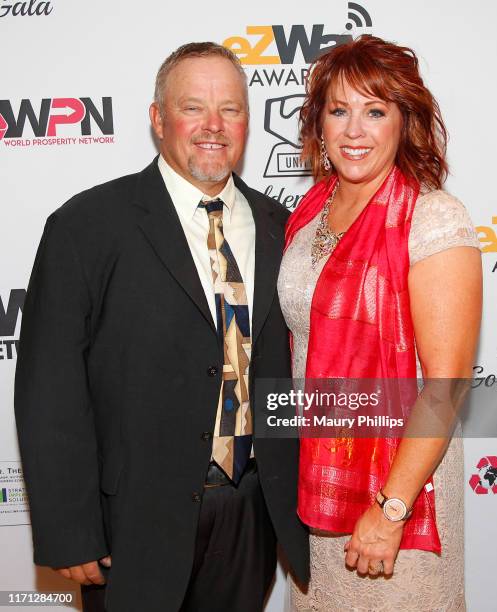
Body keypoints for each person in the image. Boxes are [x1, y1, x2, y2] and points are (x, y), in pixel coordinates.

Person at [15, 42, 309, 612]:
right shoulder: (87, 225)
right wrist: (70, 528)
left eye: (230, 109)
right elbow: (49, 388)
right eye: (193, 107)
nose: (213, 126)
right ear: (157, 119)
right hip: (132, 519)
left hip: (251, 512)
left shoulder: (282, 227)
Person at [278, 35, 482, 610]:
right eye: (338, 111)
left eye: (375, 111)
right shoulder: (310, 211)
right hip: (319, 487)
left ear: (404, 121)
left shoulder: (432, 217)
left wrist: (391, 508)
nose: (354, 131)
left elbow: (444, 383)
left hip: (400, 494)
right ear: (318, 123)